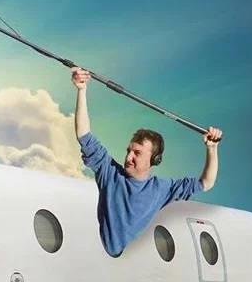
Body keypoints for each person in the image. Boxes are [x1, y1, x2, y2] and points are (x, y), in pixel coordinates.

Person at [71, 66, 222, 257]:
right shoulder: (110, 173)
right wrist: (82, 91)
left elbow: (206, 183)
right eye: (129, 151)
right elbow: (84, 135)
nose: (129, 157)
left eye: (137, 153)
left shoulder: (161, 189)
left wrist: (212, 148)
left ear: (154, 159)